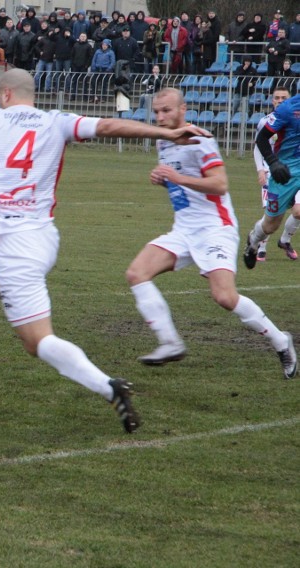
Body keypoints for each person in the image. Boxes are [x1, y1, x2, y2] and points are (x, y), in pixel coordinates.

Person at [0, 70, 212, 434]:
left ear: (4, 94)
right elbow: (110, 127)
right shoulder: (57, 121)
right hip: (41, 236)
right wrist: (165, 131)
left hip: (15, 247)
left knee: (38, 341)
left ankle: (107, 386)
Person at [125, 88, 295, 381]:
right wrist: (163, 180)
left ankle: (281, 341)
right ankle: (170, 342)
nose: (160, 117)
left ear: (183, 109)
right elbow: (180, 182)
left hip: (216, 229)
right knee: (136, 273)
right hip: (184, 229)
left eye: (166, 110)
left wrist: (176, 177)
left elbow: (219, 185)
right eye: (156, 112)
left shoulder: (199, 139)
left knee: (225, 297)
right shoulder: (164, 142)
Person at [244, 91, 300, 272]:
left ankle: (285, 241)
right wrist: (273, 163)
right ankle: (253, 241)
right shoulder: (288, 109)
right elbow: (261, 138)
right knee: (270, 225)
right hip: (285, 173)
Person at [252, 86, 292, 261]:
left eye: (284, 98)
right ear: (272, 100)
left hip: (294, 172)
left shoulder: (295, 120)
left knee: (299, 211)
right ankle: (261, 245)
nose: (280, 101)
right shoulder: (265, 122)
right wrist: (261, 170)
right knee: (271, 212)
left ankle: (285, 240)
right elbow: (258, 147)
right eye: (277, 98)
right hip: (272, 172)